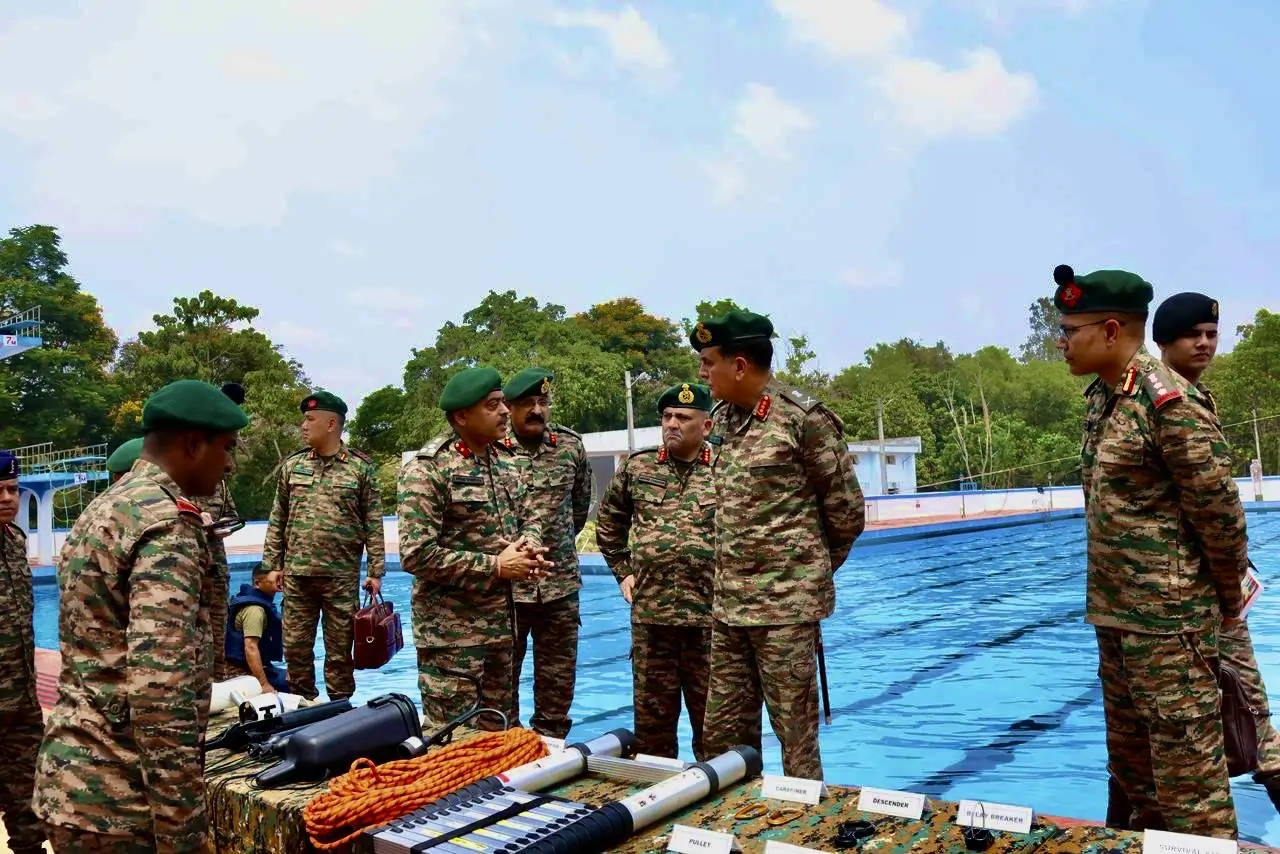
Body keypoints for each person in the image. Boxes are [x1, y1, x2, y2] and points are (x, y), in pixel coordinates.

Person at [1053, 265, 1248, 838]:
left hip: (1170, 627)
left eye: (1071, 330)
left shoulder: (1169, 404)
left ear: (1111, 330)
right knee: (1137, 781)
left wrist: (1227, 602)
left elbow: (1220, 516)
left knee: (1192, 787)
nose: (1061, 342)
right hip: (1117, 619)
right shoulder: (1105, 400)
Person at [32, 379, 248, 852]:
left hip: (73, 785)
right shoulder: (166, 524)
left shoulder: (103, 508)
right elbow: (159, 690)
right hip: (123, 804)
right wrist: (183, 832)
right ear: (194, 443)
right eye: (227, 448)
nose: (230, 464)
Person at [691, 310, 865, 780]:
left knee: (796, 740)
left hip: (785, 612)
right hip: (728, 609)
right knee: (721, 738)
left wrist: (803, 577)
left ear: (741, 365)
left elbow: (847, 514)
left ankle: (801, 834)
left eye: (709, 363)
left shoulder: (803, 419)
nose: (702, 374)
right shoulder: (723, 420)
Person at [1151, 293, 1280, 810]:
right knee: (1250, 709)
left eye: (1211, 334)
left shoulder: (1190, 397)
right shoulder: (1171, 402)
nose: (1205, 343)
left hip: (1202, 593)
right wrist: (1229, 589)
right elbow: (1214, 510)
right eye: (1192, 335)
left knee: (1250, 708)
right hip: (1195, 597)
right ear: (1163, 341)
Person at [398, 367, 552, 731]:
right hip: (452, 639)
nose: (503, 412)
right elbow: (415, 553)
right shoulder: (428, 469)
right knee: (454, 745)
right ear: (462, 416)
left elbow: (528, 516)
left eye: (502, 403)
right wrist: (496, 567)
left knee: (500, 739)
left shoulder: (506, 462)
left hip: (502, 630)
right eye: (492, 405)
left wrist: (528, 546)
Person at [595, 382, 717, 760]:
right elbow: (608, 522)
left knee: (714, 730)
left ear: (707, 426)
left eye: (683, 417)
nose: (672, 424)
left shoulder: (729, 468)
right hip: (653, 622)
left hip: (711, 622)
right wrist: (623, 571)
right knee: (652, 734)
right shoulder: (639, 466)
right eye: (667, 417)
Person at [262, 389, 385, 703]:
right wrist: (272, 566)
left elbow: (373, 522)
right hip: (297, 576)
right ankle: (304, 706)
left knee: (340, 653)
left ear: (332, 424)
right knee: (295, 649)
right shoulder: (293, 467)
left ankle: (341, 710)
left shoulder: (361, 469)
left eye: (309, 419)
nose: (304, 425)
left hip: (340, 578)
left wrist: (376, 572)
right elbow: (278, 518)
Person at [501, 367, 593, 738]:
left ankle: (551, 747)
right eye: (528, 403)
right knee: (502, 679)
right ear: (508, 408)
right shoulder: (491, 449)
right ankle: (506, 747)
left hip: (559, 586)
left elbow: (580, 507)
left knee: (558, 679)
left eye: (543, 402)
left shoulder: (570, 446)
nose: (537, 410)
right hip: (508, 589)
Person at [0, 451, 45, 854]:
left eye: (12, 489)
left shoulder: (15, 541)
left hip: (22, 702)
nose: (7, 498)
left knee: (29, 797)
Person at [198, 381, 246, 682]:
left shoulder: (220, 485)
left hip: (217, 567)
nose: (228, 464)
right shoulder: (170, 488)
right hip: (194, 569)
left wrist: (222, 527)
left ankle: (217, 685)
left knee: (218, 629)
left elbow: (232, 516)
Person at [224, 565, 289, 695]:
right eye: (275, 576)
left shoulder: (264, 605)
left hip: (258, 667)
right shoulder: (255, 610)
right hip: (240, 672)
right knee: (295, 684)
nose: (280, 579)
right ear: (258, 583)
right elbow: (251, 648)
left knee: (297, 677)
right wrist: (264, 685)